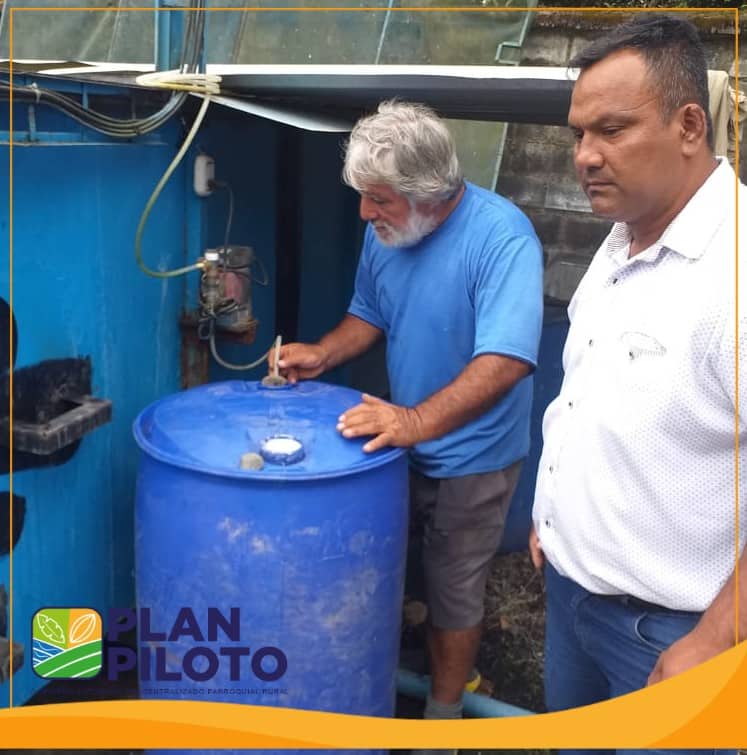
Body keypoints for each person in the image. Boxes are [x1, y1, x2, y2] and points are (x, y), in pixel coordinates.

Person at [275, 100, 543, 720]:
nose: (365, 213)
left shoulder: (502, 238)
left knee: (454, 590)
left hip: (472, 457)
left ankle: (441, 722)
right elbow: (369, 312)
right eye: (364, 198)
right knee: (394, 569)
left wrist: (413, 421)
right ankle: (395, 674)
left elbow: (506, 359)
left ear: (431, 194)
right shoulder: (389, 233)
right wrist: (323, 353)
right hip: (402, 444)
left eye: (379, 200)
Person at [530, 12, 746, 742]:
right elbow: (587, 392)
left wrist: (713, 639)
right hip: (572, 600)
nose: (585, 157)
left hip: (671, 635)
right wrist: (554, 511)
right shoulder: (624, 236)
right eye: (577, 135)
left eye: (612, 130)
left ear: (689, 126)